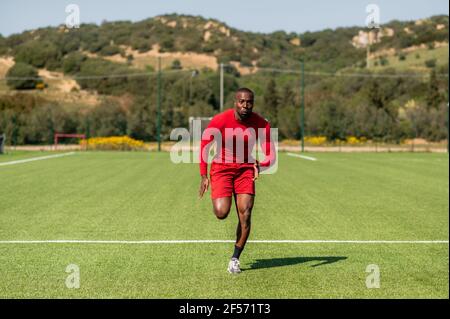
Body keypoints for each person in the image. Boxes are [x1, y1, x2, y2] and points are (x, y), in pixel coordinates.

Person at [198, 87, 276, 274]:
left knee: (246, 214)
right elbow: (204, 144)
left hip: (245, 170)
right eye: (242, 101)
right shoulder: (220, 120)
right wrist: (204, 175)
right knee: (221, 212)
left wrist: (261, 164)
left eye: (249, 102)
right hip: (222, 169)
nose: (245, 105)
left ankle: (235, 258)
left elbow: (270, 155)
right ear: (235, 102)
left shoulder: (261, 123)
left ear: (253, 103)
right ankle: (222, 202)